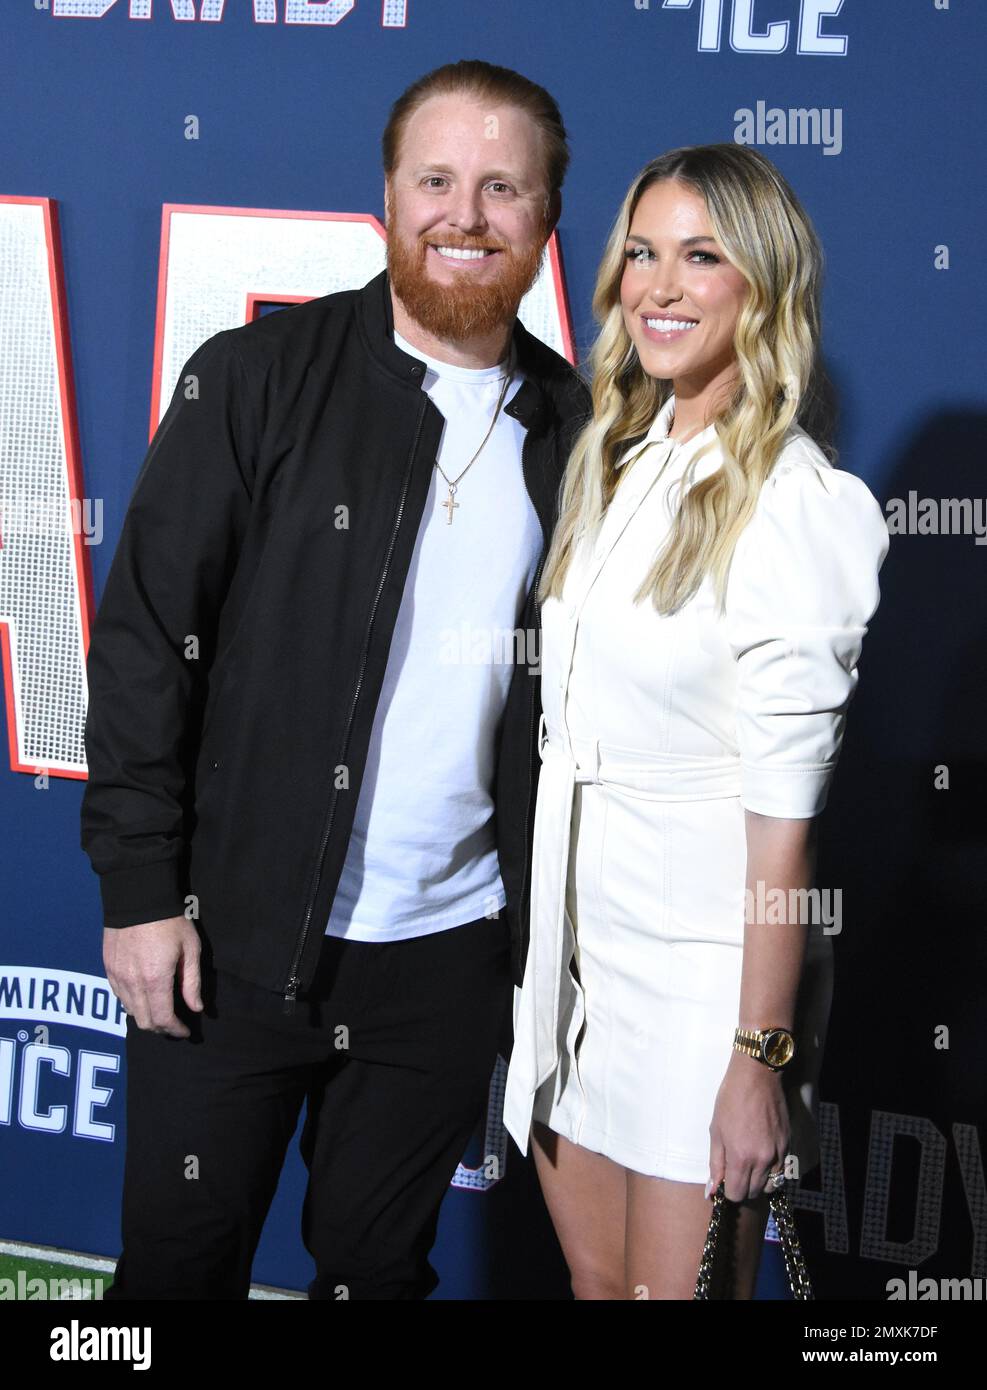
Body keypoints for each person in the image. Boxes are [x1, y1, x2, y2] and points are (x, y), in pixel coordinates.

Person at [80, 59, 590, 1300]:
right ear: (387, 195)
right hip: (233, 939)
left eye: (501, 186)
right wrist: (143, 889)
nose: (464, 214)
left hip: (445, 960)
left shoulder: (579, 433)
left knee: (375, 1273)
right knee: (174, 1276)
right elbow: (148, 636)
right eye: (436, 178)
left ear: (544, 220)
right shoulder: (257, 379)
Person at [502, 144, 890, 1300]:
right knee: (599, 1291)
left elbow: (783, 841)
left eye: (702, 257)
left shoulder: (800, 509)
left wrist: (758, 1058)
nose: (659, 287)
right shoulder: (611, 465)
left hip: (704, 984)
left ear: (761, 285)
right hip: (574, 963)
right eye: (642, 254)